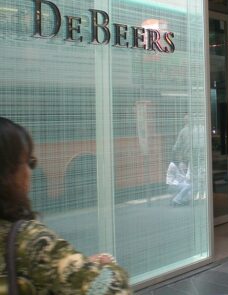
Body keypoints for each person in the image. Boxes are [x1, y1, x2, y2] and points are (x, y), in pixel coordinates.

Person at [0, 117, 131, 294]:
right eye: (30, 163)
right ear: (9, 172)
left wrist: (76, 266)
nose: (31, 173)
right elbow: (112, 290)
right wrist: (109, 269)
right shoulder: (30, 241)